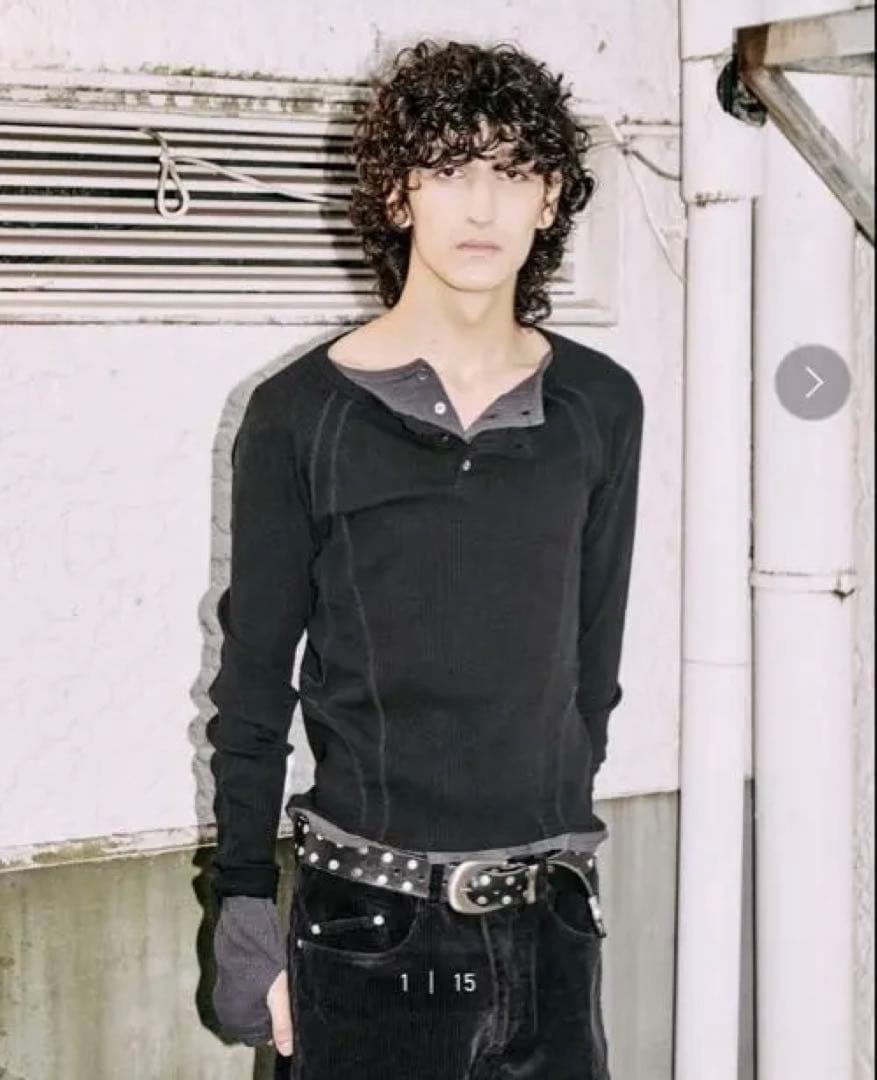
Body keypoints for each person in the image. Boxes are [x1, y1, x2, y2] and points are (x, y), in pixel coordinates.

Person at [207, 38, 644, 1080]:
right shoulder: (299, 414)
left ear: (550, 199)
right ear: (397, 195)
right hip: (368, 933)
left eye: (514, 170)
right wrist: (243, 909)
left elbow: (590, 668)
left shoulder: (599, 405)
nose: (481, 204)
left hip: (549, 923)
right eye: (448, 169)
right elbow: (252, 687)